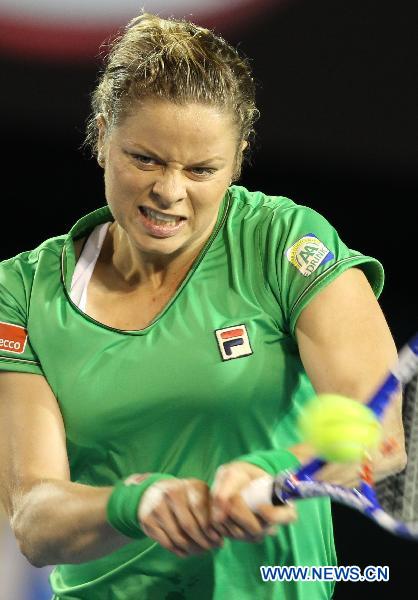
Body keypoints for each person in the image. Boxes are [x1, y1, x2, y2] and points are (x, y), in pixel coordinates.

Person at [0, 12, 406, 600]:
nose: (169, 191)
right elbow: (34, 522)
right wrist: (138, 504)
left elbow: (381, 432)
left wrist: (274, 471)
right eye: (145, 159)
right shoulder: (20, 293)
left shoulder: (283, 241)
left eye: (201, 170)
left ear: (237, 160)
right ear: (101, 134)